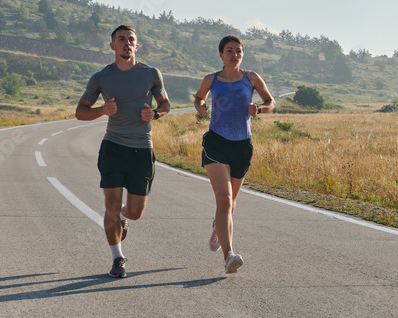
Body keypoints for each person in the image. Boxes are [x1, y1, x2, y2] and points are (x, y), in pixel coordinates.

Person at [75, 25, 170, 278]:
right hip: (113, 147)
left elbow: (165, 103)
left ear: (137, 46)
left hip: (142, 148)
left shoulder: (151, 74)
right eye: (121, 40)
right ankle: (118, 258)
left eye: (131, 40)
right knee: (111, 206)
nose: (127, 43)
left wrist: (156, 114)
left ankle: (124, 219)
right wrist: (101, 111)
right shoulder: (101, 78)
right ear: (112, 46)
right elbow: (80, 111)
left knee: (136, 211)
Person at [192, 35, 274, 273]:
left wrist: (259, 108)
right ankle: (229, 255)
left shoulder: (251, 78)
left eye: (238, 51)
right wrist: (201, 107)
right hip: (216, 143)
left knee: (231, 203)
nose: (234, 55)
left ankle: (218, 227)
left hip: (242, 146)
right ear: (221, 55)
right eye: (229, 51)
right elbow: (199, 98)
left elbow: (270, 101)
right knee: (225, 200)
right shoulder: (212, 79)